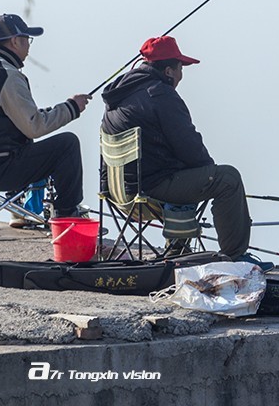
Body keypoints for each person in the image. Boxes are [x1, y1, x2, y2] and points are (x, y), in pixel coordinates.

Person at [100, 36, 259, 263]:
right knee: (227, 178)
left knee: (190, 173)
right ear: (168, 71)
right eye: (180, 67)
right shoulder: (161, 95)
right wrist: (209, 171)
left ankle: (177, 247)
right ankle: (236, 258)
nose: (182, 75)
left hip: (120, 193)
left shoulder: (118, 96)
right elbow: (191, 149)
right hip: (150, 190)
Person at [0, 13, 90, 226]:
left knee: (31, 144)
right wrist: (71, 108)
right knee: (67, 144)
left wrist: (58, 109)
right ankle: (67, 214)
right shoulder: (6, 74)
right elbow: (35, 127)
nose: (29, 47)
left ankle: (20, 206)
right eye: (27, 40)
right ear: (15, 41)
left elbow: (20, 119)